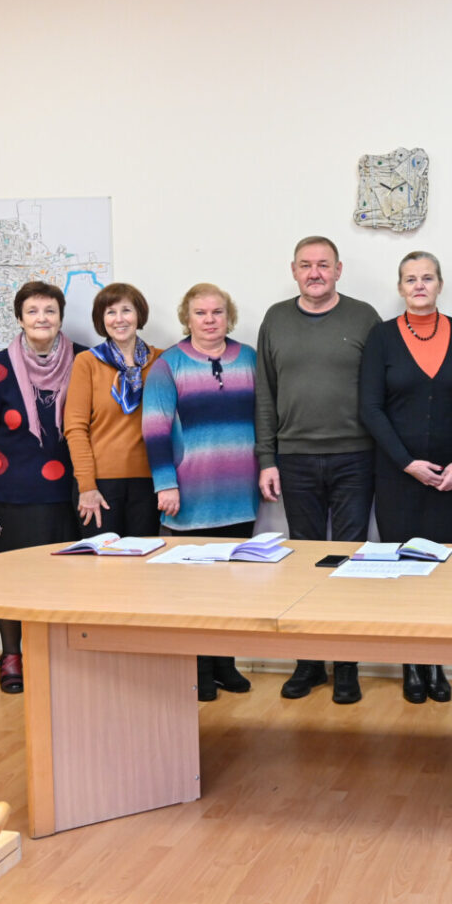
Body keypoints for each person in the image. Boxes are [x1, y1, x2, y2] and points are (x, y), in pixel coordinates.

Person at [255, 236, 381, 704]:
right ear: (293, 271)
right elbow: (265, 395)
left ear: (338, 270)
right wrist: (267, 458)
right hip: (295, 458)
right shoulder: (275, 319)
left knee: (348, 562)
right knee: (304, 564)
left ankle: (346, 666)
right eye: (306, 265)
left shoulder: (364, 317)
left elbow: (380, 389)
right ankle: (308, 662)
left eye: (323, 265)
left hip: (355, 456)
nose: (315, 273)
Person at [358, 251, 452, 704]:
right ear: (400, 287)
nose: (419, 285)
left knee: (442, 572)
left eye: (427, 278)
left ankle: (436, 662)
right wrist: (407, 462)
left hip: (450, 478)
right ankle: (411, 664)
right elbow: (370, 407)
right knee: (404, 572)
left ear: (440, 284)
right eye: (411, 279)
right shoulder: (382, 337)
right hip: (397, 475)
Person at [144, 283, 261, 700]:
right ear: (187, 318)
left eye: (217, 312)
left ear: (229, 316)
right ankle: (200, 670)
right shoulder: (168, 365)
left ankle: (226, 664)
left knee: (232, 588)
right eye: (200, 313)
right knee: (193, 591)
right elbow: (155, 430)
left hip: (239, 496)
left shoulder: (249, 358)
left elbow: (265, 418)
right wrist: (165, 484)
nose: (210, 320)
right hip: (190, 496)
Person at [0, 281, 79, 694]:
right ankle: (11, 656)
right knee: (11, 579)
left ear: (60, 317)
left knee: (65, 580)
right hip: (10, 494)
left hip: (68, 494)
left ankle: (60, 659)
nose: (41, 318)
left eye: (49, 310)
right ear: (19, 318)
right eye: (32, 311)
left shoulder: (84, 360)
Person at [64, 283, 163, 536]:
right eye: (110, 312)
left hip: (149, 483)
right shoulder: (87, 362)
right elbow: (75, 428)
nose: (119, 319)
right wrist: (87, 486)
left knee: (144, 559)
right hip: (99, 485)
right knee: (102, 560)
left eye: (126, 310)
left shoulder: (161, 361)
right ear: (101, 319)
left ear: (139, 315)